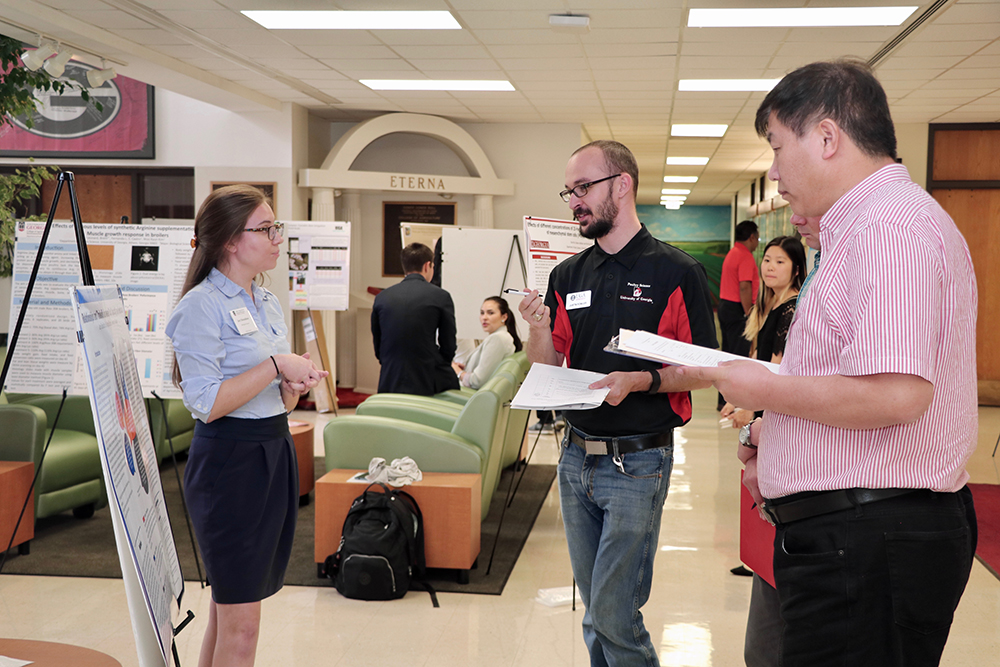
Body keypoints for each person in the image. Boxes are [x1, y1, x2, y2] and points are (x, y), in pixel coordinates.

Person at [679, 59, 978, 667]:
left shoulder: (889, 230)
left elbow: (895, 395)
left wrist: (766, 388)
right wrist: (779, 431)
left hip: (869, 538)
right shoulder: (866, 229)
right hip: (854, 531)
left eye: (777, 146)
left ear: (825, 137)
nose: (774, 172)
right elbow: (853, 377)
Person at [518, 140, 717, 666]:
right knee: (594, 613)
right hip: (575, 457)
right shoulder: (567, 276)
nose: (573, 202)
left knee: (612, 613)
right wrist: (537, 329)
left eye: (583, 188)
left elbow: (703, 370)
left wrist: (641, 380)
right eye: (570, 191)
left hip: (638, 462)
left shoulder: (676, 272)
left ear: (622, 185)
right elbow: (546, 364)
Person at [166, 184, 328, 667]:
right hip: (228, 463)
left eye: (276, 227)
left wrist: (292, 384)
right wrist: (277, 365)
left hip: (271, 451)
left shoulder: (266, 301)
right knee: (243, 622)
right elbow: (206, 402)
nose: (278, 237)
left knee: (229, 609)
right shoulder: (200, 305)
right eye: (266, 228)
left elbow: (267, 389)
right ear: (232, 241)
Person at [721, 235, 806, 430]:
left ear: (796, 270)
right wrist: (737, 397)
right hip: (765, 399)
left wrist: (750, 405)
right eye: (767, 260)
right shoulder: (771, 303)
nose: (770, 267)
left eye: (779, 262)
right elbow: (759, 355)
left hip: (774, 405)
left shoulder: (790, 308)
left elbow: (776, 367)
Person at [371, 242, 460, 395]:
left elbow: (378, 344)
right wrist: (442, 363)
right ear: (427, 266)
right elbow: (448, 343)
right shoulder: (441, 296)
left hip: (391, 376)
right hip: (427, 377)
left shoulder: (382, 297)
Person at [717, 220, 760, 409]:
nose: (757, 242)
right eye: (757, 238)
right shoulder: (745, 256)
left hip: (725, 307)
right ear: (751, 237)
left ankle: (723, 400)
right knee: (738, 356)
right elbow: (744, 286)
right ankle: (733, 402)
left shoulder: (732, 253)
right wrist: (749, 313)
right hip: (738, 310)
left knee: (727, 355)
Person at [452, 295, 522, 389]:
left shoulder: (497, 339)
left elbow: (477, 381)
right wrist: (466, 367)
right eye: (482, 313)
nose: (484, 317)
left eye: (490, 313)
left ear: (504, 317)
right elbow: (489, 370)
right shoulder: (501, 337)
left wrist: (458, 372)